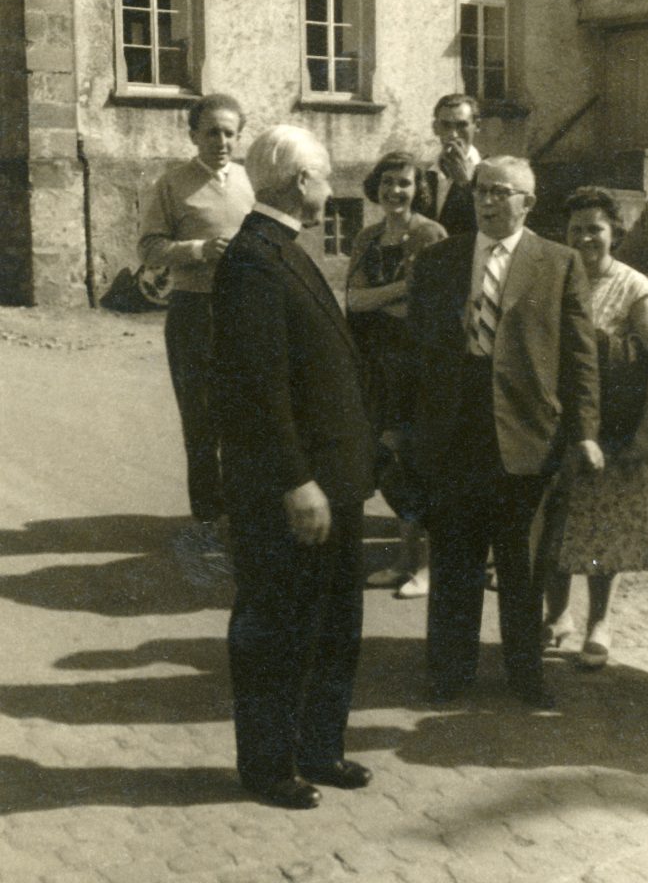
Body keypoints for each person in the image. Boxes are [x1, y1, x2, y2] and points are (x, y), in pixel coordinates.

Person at [212, 125, 374, 810]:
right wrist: (294, 480)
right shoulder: (253, 259)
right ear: (300, 182)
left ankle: (318, 748)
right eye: (324, 176)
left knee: (333, 621)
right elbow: (258, 388)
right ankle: (267, 765)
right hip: (294, 486)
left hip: (330, 479)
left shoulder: (282, 248)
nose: (330, 189)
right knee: (278, 625)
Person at [409, 156, 603, 709]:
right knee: (455, 556)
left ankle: (524, 673)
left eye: (500, 191)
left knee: (523, 562)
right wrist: (402, 427)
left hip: (527, 434)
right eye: (480, 190)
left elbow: (580, 357)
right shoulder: (439, 259)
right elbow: (415, 352)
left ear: (528, 202)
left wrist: (585, 432)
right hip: (456, 428)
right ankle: (450, 671)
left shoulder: (558, 262)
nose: (487, 201)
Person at [542, 187, 648, 668]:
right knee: (555, 524)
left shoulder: (634, 286)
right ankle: (558, 615)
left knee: (602, 531)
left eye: (594, 228)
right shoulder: (553, 277)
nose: (584, 238)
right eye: (575, 229)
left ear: (615, 231)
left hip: (613, 429)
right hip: (556, 423)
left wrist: (588, 346)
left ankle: (599, 621)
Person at [138, 93, 254, 540]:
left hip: (244, 311)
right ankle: (208, 516)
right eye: (211, 133)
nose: (221, 141)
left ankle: (244, 511)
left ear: (239, 137)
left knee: (246, 414)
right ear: (193, 136)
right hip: (195, 312)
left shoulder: (251, 180)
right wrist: (199, 250)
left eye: (229, 133)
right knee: (201, 419)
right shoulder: (173, 184)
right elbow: (149, 249)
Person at [347, 151, 446, 599]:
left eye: (404, 183)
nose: (395, 191)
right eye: (388, 182)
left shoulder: (431, 234)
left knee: (416, 462)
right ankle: (405, 559)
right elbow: (354, 300)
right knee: (386, 462)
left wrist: (381, 298)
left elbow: (429, 307)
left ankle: (424, 565)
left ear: (418, 189)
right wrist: (403, 288)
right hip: (374, 365)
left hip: (416, 367)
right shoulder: (367, 236)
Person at [425, 93, 481, 235]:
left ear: (477, 126)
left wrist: (465, 185)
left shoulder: (491, 172)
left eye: (462, 125)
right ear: (435, 127)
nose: (454, 134)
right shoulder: (424, 174)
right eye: (446, 125)